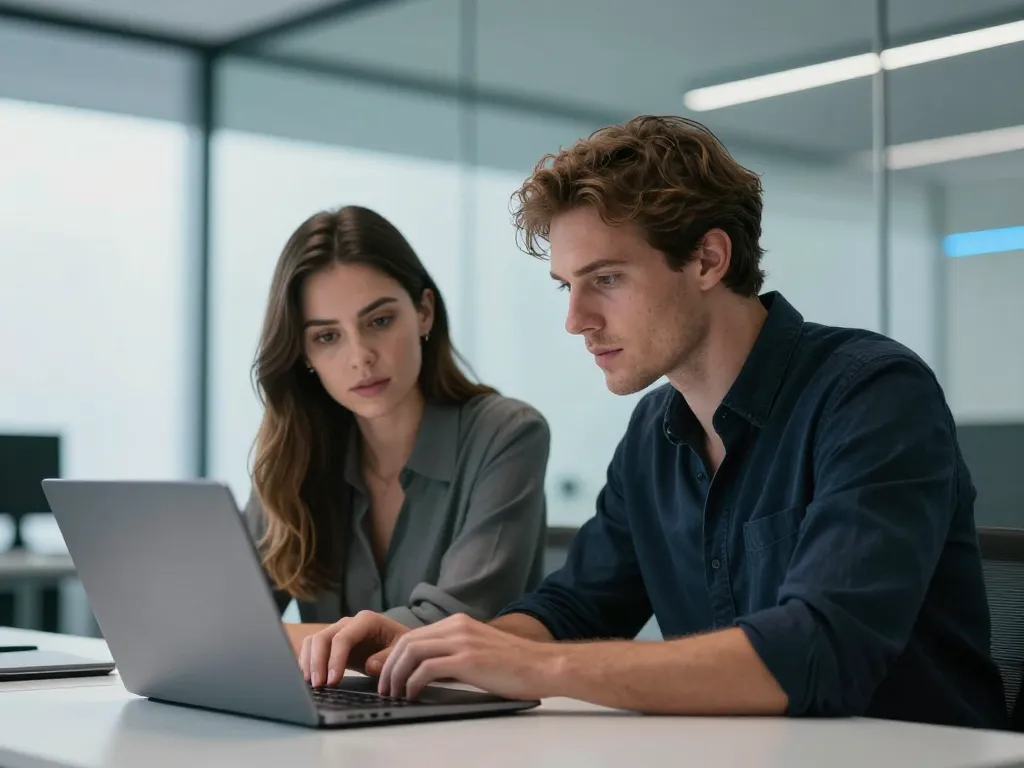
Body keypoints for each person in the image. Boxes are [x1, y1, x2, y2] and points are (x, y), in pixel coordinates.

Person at [297, 118, 1008, 730]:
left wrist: (539, 666)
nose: (576, 320)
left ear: (708, 259)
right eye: (567, 286)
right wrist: (434, 647)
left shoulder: (872, 394)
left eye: (605, 279)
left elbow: (819, 651)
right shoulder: (654, 433)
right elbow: (574, 608)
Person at [243, 204, 550, 653]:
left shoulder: (507, 435)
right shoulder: (297, 455)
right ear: (303, 354)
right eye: (327, 336)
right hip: (329, 699)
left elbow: (453, 629)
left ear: (423, 312)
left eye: (380, 321)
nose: (360, 356)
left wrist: (264, 641)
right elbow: (226, 620)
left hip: (466, 699)